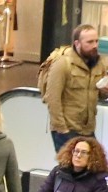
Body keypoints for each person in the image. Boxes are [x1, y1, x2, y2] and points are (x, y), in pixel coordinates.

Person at [44, 24, 108, 152]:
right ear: (77, 43)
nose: (95, 45)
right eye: (89, 42)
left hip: (88, 129)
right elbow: (52, 99)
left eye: (96, 41)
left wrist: (105, 91)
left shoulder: (99, 64)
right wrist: (62, 129)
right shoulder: (62, 64)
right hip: (67, 129)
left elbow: (100, 95)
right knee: (69, 169)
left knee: (92, 167)